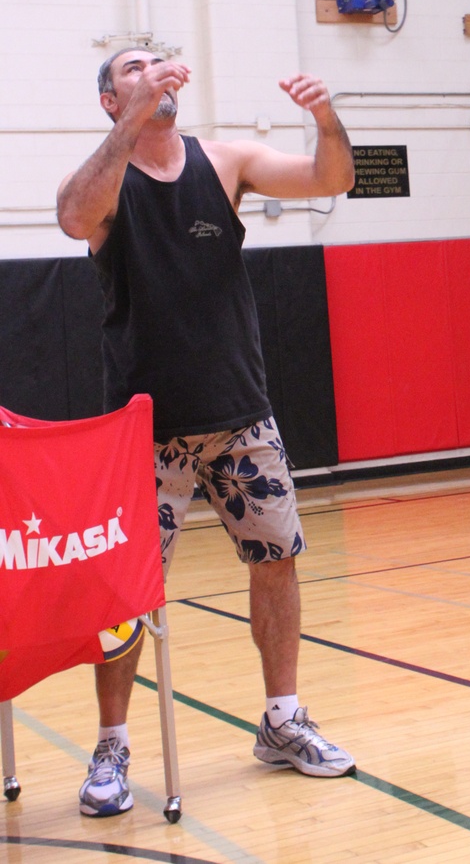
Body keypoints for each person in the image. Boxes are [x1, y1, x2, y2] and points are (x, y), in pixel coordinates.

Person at [56, 49, 357, 817]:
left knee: (277, 561)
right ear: (109, 98)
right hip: (146, 434)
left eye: (159, 60)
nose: (155, 71)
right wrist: (127, 125)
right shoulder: (108, 179)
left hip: (242, 418)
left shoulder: (226, 161)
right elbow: (70, 216)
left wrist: (325, 118)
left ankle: (283, 721)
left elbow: (332, 179)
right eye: (133, 67)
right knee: (125, 595)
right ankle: (113, 745)